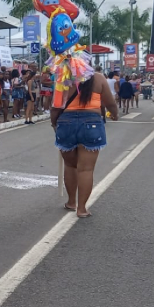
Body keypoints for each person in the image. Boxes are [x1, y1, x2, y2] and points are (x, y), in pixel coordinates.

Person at [51, 70, 119, 218]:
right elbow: (110, 102)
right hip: (92, 121)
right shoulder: (99, 78)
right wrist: (115, 114)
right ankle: (81, 209)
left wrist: (54, 123)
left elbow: (56, 106)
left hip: (66, 122)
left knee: (70, 166)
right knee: (86, 170)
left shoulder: (63, 78)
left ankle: (71, 202)